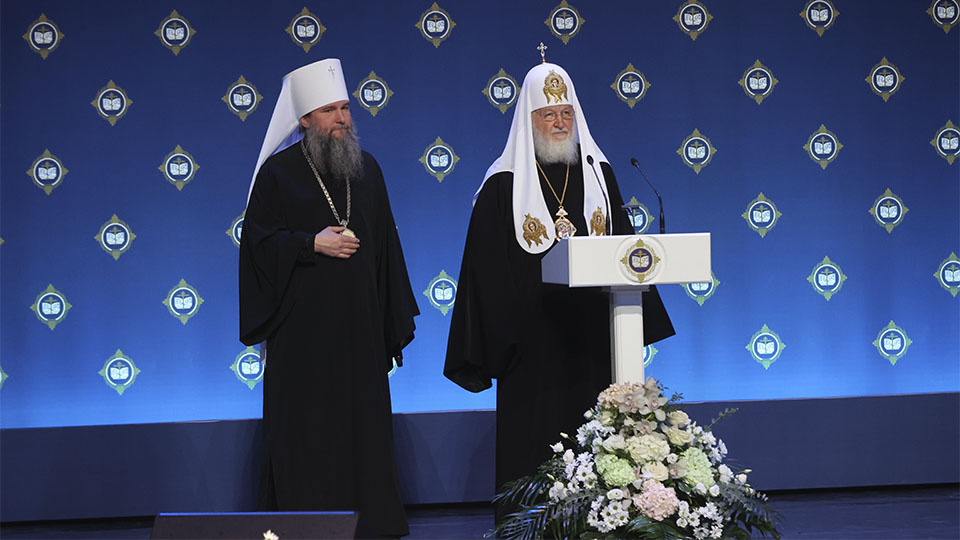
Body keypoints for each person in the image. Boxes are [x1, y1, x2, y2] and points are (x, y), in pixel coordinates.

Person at [443, 60, 675, 508]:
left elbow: (624, 245)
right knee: (534, 449)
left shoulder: (599, 174)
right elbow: (484, 270)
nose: (559, 122)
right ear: (529, 120)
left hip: (591, 336)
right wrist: (502, 338)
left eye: (566, 112)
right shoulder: (503, 184)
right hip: (531, 344)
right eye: (548, 114)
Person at [239, 58, 418, 538]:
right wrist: (309, 243)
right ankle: (307, 528)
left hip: (360, 330)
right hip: (303, 336)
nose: (342, 119)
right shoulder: (277, 174)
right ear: (303, 120)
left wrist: (390, 319)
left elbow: (386, 246)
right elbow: (257, 245)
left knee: (362, 431)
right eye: (329, 111)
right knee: (309, 434)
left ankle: (372, 525)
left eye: (345, 108)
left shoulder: (367, 168)